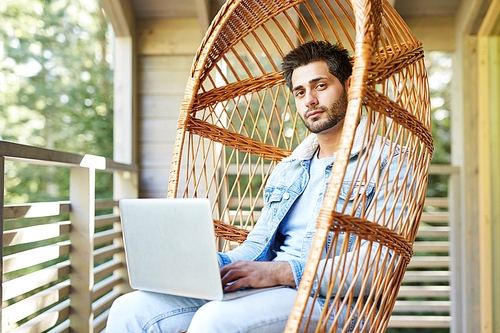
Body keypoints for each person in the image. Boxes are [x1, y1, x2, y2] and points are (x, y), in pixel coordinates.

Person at [107, 41, 404, 333]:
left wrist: (279, 272)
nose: (310, 100)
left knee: (215, 319)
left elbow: (379, 266)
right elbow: (258, 248)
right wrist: (210, 266)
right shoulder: (290, 169)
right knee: (130, 309)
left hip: (332, 301)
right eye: (300, 92)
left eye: (320, 86)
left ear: (350, 86)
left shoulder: (389, 162)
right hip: (269, 289)